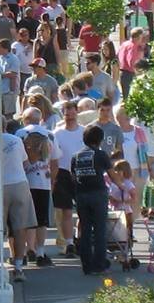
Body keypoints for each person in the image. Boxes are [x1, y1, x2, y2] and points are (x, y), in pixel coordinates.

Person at [71, 125, 123, 275]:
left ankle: (86, 265)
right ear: (100, 140)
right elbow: (112, 175)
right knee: (100, 230)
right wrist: (122, 187)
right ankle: (99, 264)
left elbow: (73, 177)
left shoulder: (76, 156)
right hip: (98, 194)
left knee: (85, 230)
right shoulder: (101, 155)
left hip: (81, 194)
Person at [0, 127, 36, 281]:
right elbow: (26, 163)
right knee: (20, 227)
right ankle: (19, 267)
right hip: (19, 183)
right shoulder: (16, 140)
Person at [53, 99, 85, 256]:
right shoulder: (57, 134)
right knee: (65, 211)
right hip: (63, 173)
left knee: (83, 211)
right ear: (63, 114)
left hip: (82, 173)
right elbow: (52, 157)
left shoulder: (84, 132)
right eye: (67, 113)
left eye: (72, 112)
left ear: (77, 113)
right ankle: (69, 243)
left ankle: (81, 240)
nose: (70, 116)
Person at [22, 130, 57, 267]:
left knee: (36, 220)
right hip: (36, 186)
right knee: (37, 221)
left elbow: (53, 164)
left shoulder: (39, 152)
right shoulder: (34, 152)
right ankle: (35, 250)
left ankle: (35, 250)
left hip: (36, 186)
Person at [107, 159, 138, 242]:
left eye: (118, 171)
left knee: (125, 230)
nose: (116, 173)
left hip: (125, 211)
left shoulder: (128, 184)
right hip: (114, 210)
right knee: (115, 232)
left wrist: (122, 201)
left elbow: (134, 199)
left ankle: (127, 241)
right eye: (115, 170)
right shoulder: (114, 183)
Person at [0, 39, 20, 116]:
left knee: (8, 114)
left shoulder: (14, 59)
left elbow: (13, 74)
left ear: (6, 48)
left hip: (8, 91)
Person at [117, 27, 146, 100]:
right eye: (142, 37)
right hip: (129, 74)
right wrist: (139, 73)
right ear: (138, 37)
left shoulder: (124, 44)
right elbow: (131, 62)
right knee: (130, 99)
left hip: (122, 73)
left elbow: (117, 55)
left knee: (125, 98)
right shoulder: (133, 46)